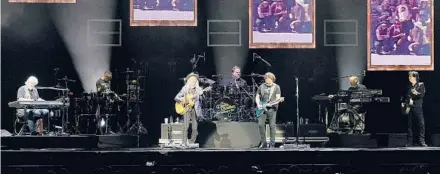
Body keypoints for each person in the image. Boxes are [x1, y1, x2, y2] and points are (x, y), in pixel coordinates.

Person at [175, 73, 203, 147]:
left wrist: (201, 95)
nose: (193, 81)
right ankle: (184, 143)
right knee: (186, 126)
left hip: (195, 110)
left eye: (195, 80)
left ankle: (191, 142)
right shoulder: (185, 88)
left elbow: (201, 101)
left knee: (195, 127)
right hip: (187, 108)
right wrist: (182, 99)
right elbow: (176, 98)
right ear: (189, 80)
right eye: (192, 79)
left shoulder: (198, 89)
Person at [256, 72, 281, 148]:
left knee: (272, 126)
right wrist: (258, 104)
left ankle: (272, 144)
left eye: (269, 83)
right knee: (260, 124)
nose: (268, 84)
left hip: (272, 108)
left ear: (273, 80)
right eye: (266, 82)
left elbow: (278, 99)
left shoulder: (276, 87)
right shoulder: (261, 86)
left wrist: (271, 104)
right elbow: (257, 96)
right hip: (262, 108)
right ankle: (264, 143)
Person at [405, 71, 427, 147]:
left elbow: (422, 94)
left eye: (410, 76)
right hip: (409, 107)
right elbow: (406, 96)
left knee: (421, 124)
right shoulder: (409, 86)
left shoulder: (421, 85)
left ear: (415, 77)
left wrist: (416, 93)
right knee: (409, 125)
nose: (409, 78)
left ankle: (422, 141)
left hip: (417, 107)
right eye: (409, 76)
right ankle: (409, 142)